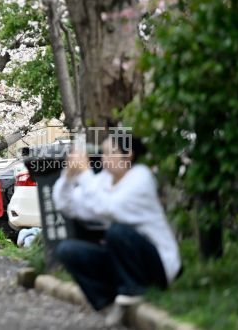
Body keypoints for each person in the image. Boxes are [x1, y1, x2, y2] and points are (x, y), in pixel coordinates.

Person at [53, 134, 180, 325]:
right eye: (102, 153)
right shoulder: (104, 181)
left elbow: (110, 208)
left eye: (109, 153)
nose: (104, 159)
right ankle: (109, 303)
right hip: (123, 261)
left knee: (117, 232)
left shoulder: (141, 176)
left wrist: (86, 174)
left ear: (127, 155)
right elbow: (67, 205)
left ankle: (133, 290)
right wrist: (68, 176)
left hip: (158, 264)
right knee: (67, 250)